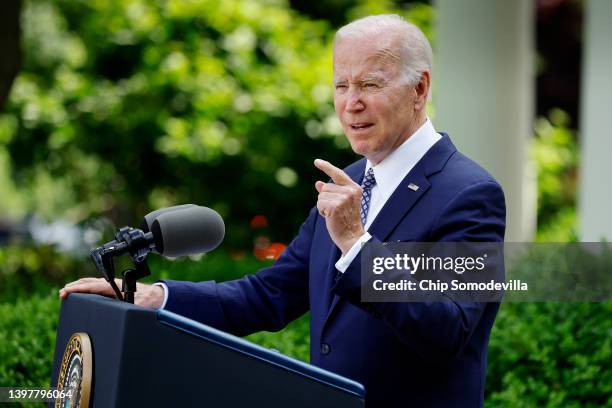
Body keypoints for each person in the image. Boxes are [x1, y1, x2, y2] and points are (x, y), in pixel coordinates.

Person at [60, 14, 505, 407]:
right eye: (341, 85)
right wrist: (158, 298)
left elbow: (448, 330)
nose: (351, 103)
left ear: (419, 88)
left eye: (370, 84)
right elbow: (269, 295)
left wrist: (356, 244)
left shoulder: (471, 194)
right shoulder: (348, 180)